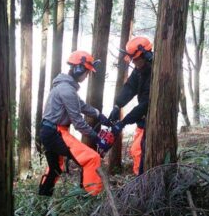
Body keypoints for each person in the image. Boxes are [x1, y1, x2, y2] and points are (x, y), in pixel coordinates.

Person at [38, 50, 112, 196]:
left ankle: (43, 197)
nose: (87, 76)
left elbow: (82, 106)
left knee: (55, 168)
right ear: (79, 69)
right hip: (55, 132)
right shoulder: (67, 91)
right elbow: (78, 122)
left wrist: (99, 115)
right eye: (87, 72)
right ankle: (90, 196)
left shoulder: (65, 87)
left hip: (49, 131)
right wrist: (96, 137)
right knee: (92, 158)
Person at [109, 37, 153, 176]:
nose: (133, 62)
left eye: (135, 59)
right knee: (135, 150)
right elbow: (129, 88)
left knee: (139, 150)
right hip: (143, 120)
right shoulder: (139, 70)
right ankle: (138, 179)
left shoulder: (155, 73)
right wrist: (117, 105)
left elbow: (145, 104)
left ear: (146, 55)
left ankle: (142, 181)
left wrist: (124, 122)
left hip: (152, 119)